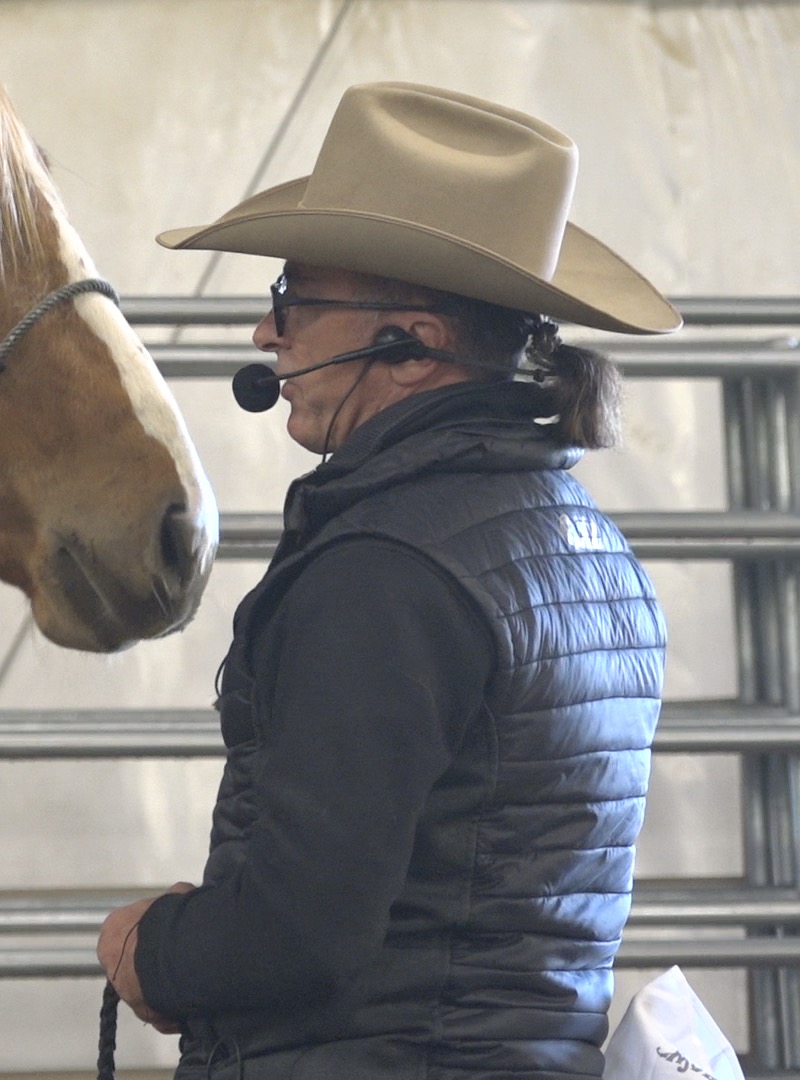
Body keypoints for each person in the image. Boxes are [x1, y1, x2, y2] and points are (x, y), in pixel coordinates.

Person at [96, 82, 677, 1079]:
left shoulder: (388, 569)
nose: (266, 335)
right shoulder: (593, 550)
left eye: (291, 301)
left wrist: (154, 948)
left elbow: (299, 934)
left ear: (410, 343)